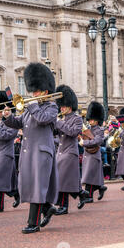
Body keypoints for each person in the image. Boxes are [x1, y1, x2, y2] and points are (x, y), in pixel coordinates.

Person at [2, 63, 59, 234]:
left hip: (42, 152)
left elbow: (42, 119)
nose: (33, 94)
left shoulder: (51, 107)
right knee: (29, 184)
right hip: (29, 152)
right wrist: (7, 117)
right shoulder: (29, 109)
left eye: (36, 91)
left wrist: (32, 105)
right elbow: (18, 123)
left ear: (45, 91)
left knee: (37, 186)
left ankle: (32, 223)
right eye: (33, 91)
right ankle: (48, 207)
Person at [54, 85, 87, 214]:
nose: (61, 108)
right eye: (60, 106)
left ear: (70, 106)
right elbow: (56, 134)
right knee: (64, 179)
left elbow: (73, 132)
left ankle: (63, 206)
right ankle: (81, 193)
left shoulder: (77, 119)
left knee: (62, 180)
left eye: (63, 106)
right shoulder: (62, 119)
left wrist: (59, 123)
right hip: (61, 152)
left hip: (70, 153)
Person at [0, 90, 20, 213]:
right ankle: (17, 193)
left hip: (5, 154)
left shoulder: (13, 122)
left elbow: (6, 135)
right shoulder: (1, 121)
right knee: (2, 180)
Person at [79, 101, 105, 202]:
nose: (90, 121)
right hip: (87, 154)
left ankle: (89, 197)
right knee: (90, 176)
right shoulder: (88, 129)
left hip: (94, 155)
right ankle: (100, 187)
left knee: (89, 176)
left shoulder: (100, 130)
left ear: (97, 120)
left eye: (92, 119)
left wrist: (84, 143)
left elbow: (97, 141)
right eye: (90, 119)